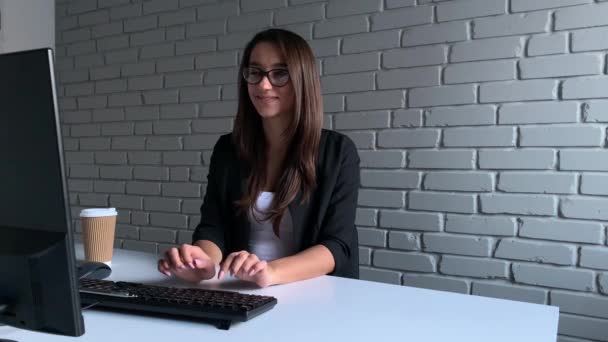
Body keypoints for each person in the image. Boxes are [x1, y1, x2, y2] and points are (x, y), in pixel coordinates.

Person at [157, 28, 360, 288]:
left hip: (312, 294)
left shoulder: (338, 151)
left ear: (302, 79)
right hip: (242, 289)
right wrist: (202, 262)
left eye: (279, 73)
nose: (263, 85)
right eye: (255, 72)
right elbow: (213, 227)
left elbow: (337, 245)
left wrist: (270, 272)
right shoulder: (227, 149)